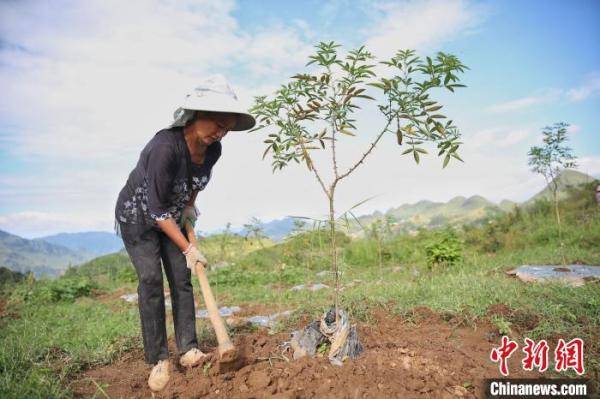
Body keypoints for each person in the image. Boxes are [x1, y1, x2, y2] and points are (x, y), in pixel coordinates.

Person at [114, 75, 255, 391]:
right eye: (216, 124)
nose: (220, 133)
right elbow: (156, 210)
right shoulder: (165, 147)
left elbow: (194, 184)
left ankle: (188, 348)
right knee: (151, 279)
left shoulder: (213, 150)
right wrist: (189, 248)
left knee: (182, 277)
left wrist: (189, 209)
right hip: (139, 217)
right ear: (196, 115)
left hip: (172, 216)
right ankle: (158, 359)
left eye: (226, 129)